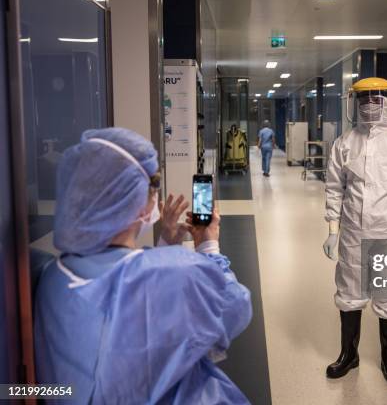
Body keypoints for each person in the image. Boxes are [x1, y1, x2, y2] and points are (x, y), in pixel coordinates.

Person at [35, 127, 253, 404]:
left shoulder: (52, 276)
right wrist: (208, 245)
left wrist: (165, 245)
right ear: (138, 201)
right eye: (152, 188)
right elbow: (235, 307)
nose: (154, 198)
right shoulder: (176, 272)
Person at [322, 78, 387, 386]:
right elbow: (334, 189)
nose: (370, 103)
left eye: (376, 96)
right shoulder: (344, 143)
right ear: (353, 101)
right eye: (364, 97)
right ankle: (348, 355)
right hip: (353, 231)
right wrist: (332, 230)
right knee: (349, 293)